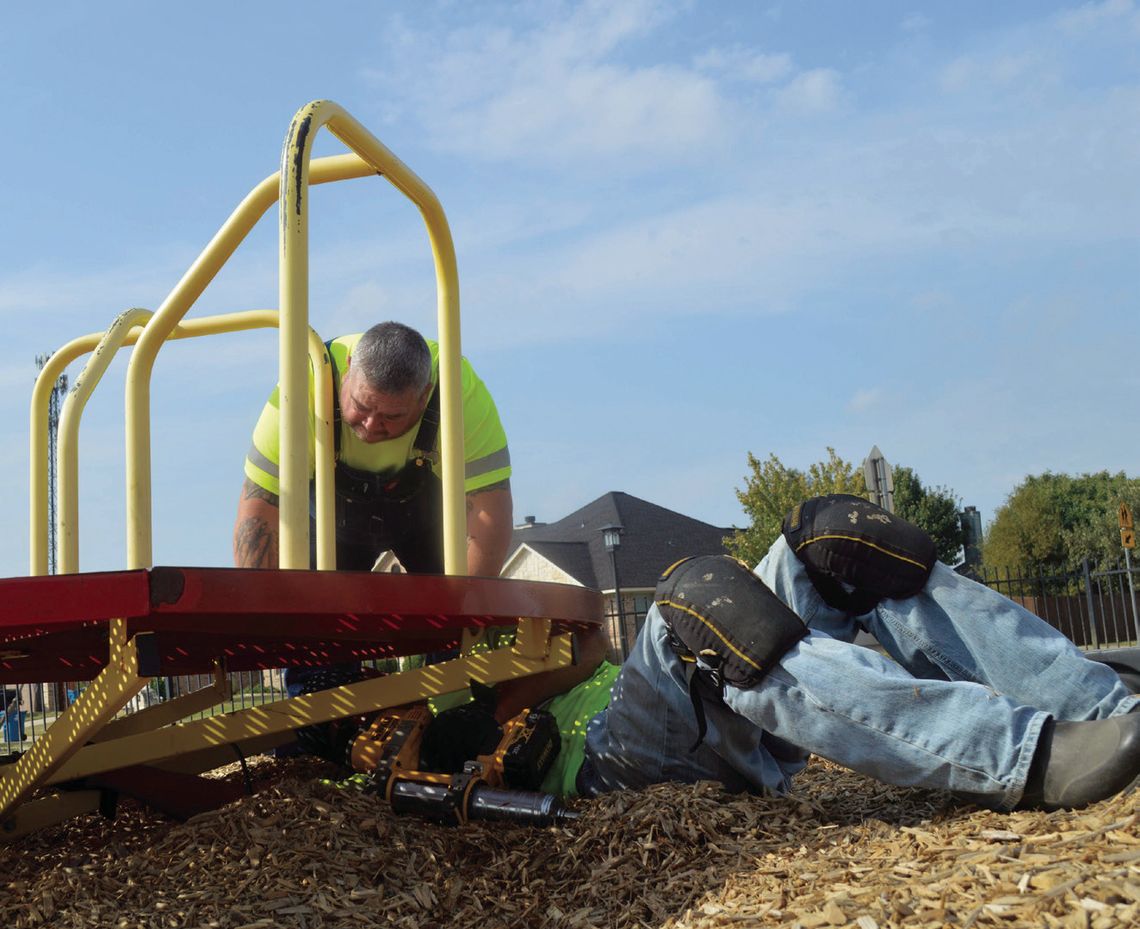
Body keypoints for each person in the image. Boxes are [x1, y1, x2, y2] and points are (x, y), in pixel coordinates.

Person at [476, 496, 1140, 812]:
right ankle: (1024, 755)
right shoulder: (433, 689)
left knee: (833, 539)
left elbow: (592, 646)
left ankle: (1101, 704)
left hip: (687, 715)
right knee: (697, 600)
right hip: (609, 763)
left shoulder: (514, 629)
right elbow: (499, 706)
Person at [233, 321, 513, 698]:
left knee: (458, 637)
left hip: (428, 519)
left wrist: (460, 618)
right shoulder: (306, 384)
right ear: (348, 369)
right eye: (361, 406)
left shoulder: (457, 391)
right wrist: (263, 616)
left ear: (425, 394)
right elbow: (260, 508)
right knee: (315, 645)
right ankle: (312, 733)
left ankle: (450, 715)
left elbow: (488, 515)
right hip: (333, 525)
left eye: (392, 417)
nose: (370, 426)